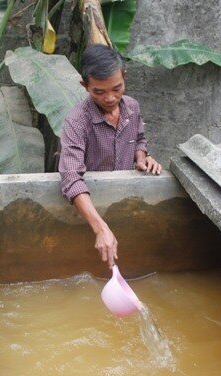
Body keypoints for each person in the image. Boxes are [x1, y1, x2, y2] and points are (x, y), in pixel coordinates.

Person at [59, 44, 162, 269]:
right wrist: (100, 228)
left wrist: (142, 158)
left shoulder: (132, 108)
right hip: (90, 212)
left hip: (125, 206)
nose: (109, 98)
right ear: (84, 86)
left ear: (124, 77)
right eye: (99, 91)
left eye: (117, 88)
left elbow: (139, 139)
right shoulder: (77, 121)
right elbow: (70, 176)